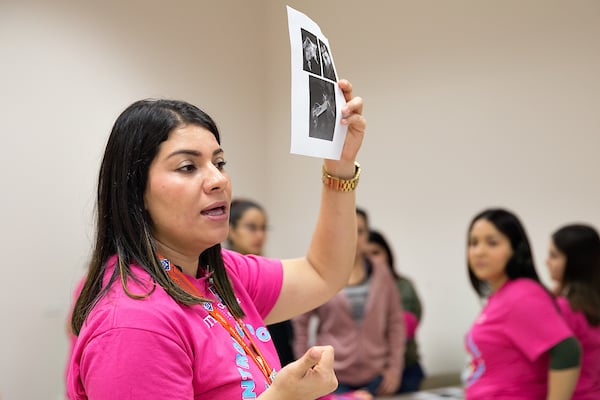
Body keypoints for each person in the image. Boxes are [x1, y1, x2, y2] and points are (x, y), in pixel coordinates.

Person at [66, 79, 365, 399]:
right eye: (187, 167)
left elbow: (323, 273)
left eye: (219, 163)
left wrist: (340, 165)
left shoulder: (216, 274)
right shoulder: (132, 323)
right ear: (136, 193)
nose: (218, 179)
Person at [464, 208, 581, 400]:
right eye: (473, 242)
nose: (479, 252)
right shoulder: (501, 296)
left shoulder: (522, 294)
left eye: (492, 243)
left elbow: (567, 351)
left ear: (515, 248)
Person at [293, 208, 405, 397]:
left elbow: (395, 323)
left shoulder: (381, 272)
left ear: (367, 235)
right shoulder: (322, 271)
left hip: (376, 378)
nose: (354, 237)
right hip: (333, 378)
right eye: (348, 229)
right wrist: (305, 367)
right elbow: (300, 321)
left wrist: (394, 369)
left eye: (360, 231)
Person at [227, 198, 296, 367]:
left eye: (263, 228)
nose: (260, 235)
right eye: (251, 227)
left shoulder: (270, 271)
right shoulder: (223, 276)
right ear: (231, 230)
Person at [366, 229, 425, 393]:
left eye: (376, 252)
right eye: (365, 254)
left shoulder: (403, 286)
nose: (371, 259)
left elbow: (406, 326)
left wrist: (392, 368)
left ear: (388, 254)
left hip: (406, 369)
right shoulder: (353, 292)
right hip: (366, 375)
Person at [546, 224, 600, 399]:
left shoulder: (563, 309)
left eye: (554, 256)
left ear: (574, 261)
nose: (547, 261)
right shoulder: (589, 305)